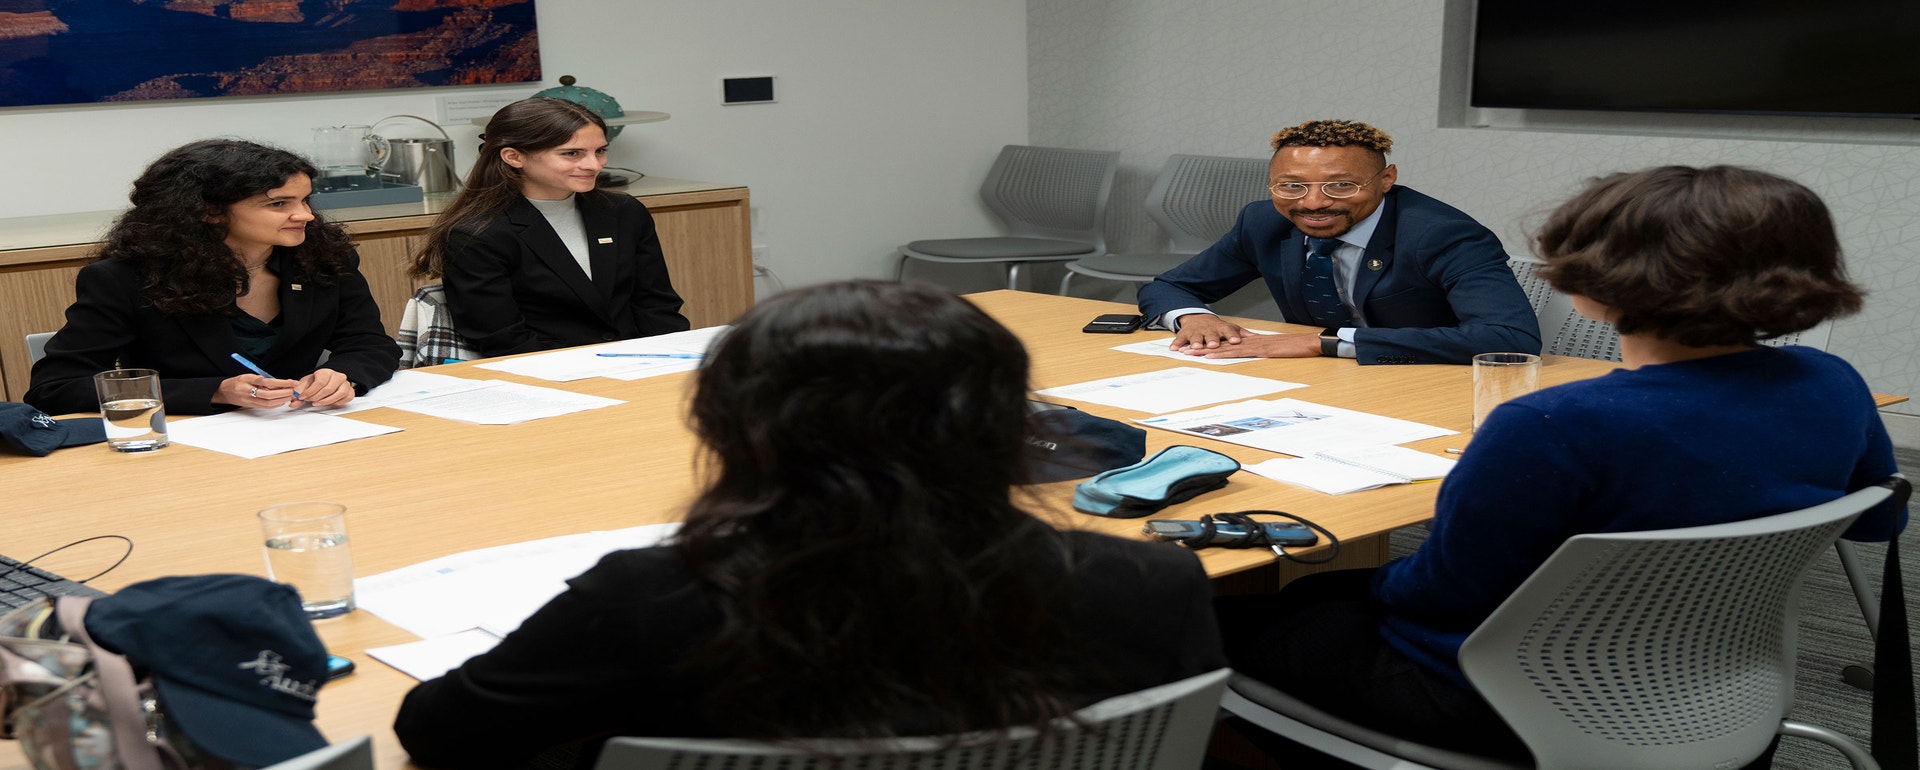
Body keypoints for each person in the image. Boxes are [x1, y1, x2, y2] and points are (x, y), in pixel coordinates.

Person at [1213, 165, 1907, 768]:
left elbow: (1438, 597)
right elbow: (1878, 521)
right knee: (1315, 603)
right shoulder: (1832, 380)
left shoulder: (1551, 423)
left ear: (1592, 286)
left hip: (1505, 698)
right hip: (1720, 676)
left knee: (1218, 618)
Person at [392, 281, 1226, 769]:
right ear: (1013, 427)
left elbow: (436, 736)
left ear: (733, 428)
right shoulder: (1153, 579)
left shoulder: (649, 598)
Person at [25, 140, 399, 416]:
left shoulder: (323, 259)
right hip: (188, 442)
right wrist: (215, 391)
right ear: (210, 212)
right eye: (279, 204)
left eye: (305, 200)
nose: (306, 215)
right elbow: (55, 388)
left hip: (307, 429)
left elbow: (371, 344)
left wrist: (343, 373)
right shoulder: (125, 280)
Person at [1137, 119, 1540, 365]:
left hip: (1421, 379)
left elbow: (1509, 338)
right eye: (1292, 186)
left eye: (1341, 185)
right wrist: (1195, 318)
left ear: (1386, 179)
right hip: (1316, 384)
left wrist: (1324, 343)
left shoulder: (1442, 234)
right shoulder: (1263, 221)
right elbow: (1169, 286)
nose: (1313, 202)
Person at [409, 97, 689, 358]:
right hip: (546, 375)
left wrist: (669, 361)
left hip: (641, 364)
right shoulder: (477, 233)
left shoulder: (624, 212)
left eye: (600, 151)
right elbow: (502, 338)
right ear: (513, 157)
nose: (594, 165)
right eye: (572, 153)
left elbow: (657, 307)